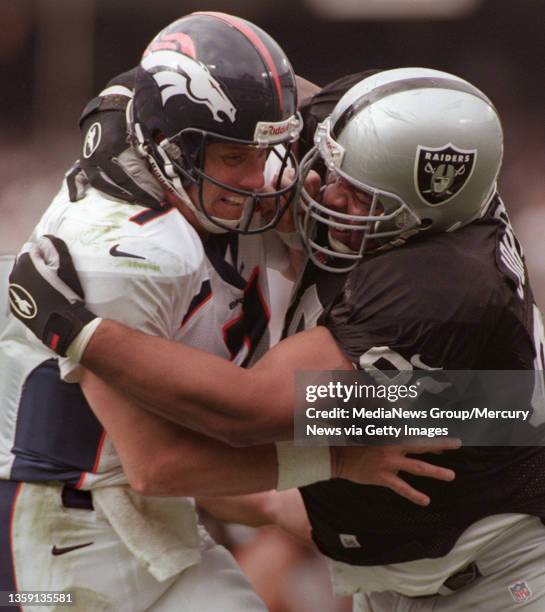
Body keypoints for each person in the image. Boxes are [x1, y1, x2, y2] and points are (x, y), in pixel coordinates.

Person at [11, 67, 545, 610]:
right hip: (404, 561)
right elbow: (245, 84)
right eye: (337, 168)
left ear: (422, 213)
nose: (326, 192)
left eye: (360, 197)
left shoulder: (436, 287)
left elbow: (244, 413)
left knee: (391, 410)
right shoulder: (388, 140)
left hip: (495, 578)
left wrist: (77, 330)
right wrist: (136, 103)